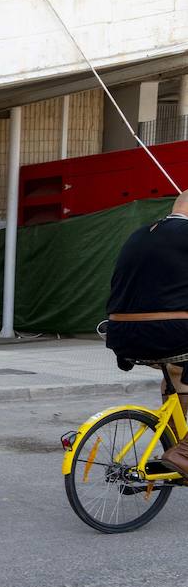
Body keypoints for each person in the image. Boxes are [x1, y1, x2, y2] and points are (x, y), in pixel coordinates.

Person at [105, 189, 188, 476]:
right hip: (167, 331)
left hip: (120, 333)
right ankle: (184, 451)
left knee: (177, 374)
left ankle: (175, 445)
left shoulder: (139, 234)